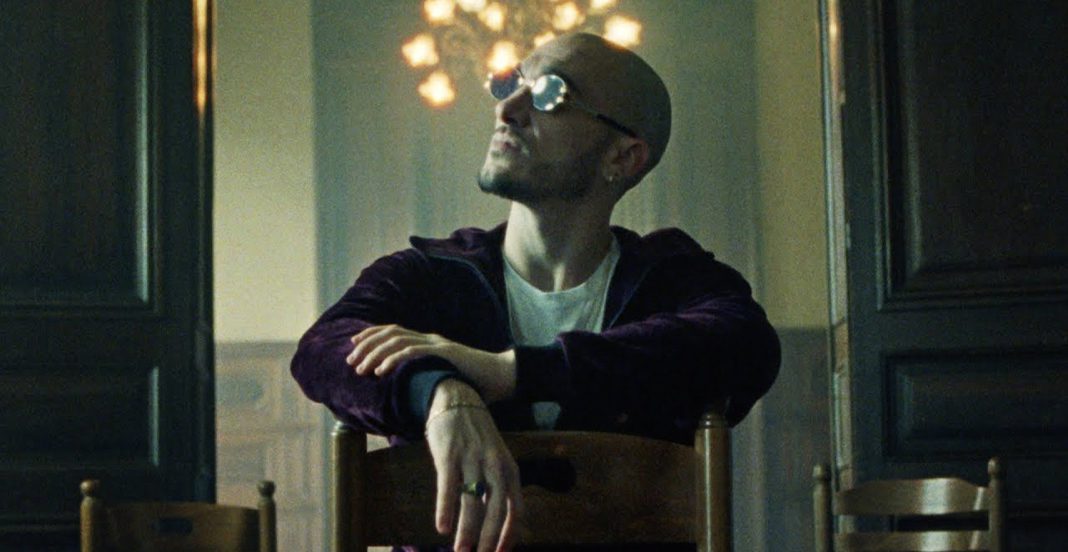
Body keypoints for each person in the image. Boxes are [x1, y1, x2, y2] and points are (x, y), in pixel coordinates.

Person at [291, 32, 780, 552]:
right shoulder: (427, 276)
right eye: (510, 83)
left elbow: (746, 344)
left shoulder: (671, 279)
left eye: (550, 94)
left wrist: (511, 372)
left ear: (623, 155)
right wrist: (442, 393)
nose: (507, 109)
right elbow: (322, 349)